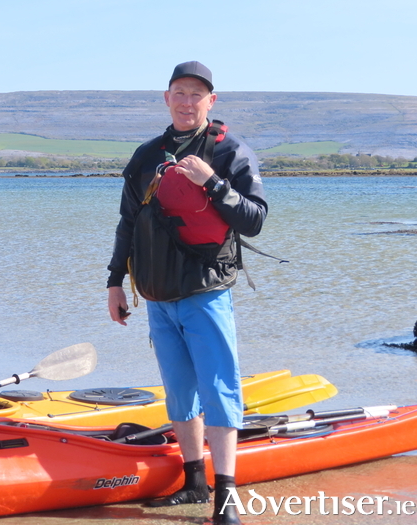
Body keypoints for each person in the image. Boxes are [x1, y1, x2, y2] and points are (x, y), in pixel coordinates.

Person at [106, 61, 268, 525]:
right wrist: (115, 282)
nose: (186, 101)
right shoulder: (146, 155)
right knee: (179, 393)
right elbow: (128, 223)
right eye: (179, 92)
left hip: (206, 292)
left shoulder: (229, 151)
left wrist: (213, 184)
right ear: (166, 97)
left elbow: (254, 218)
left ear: (210, 102)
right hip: (157, 296)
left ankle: (227, 499)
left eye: (196, 94)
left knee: (219, 390)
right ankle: (193, 481)